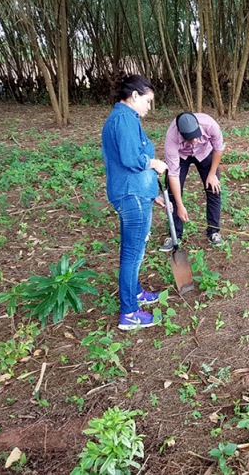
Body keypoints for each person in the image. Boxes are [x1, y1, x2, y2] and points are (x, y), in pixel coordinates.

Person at [101, 75, 167, 330]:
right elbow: (131, 159)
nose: (149, 107)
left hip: (137, 194)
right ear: (135, 95)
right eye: (148, 101)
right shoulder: (124, 119)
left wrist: (154, 196)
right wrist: (154, 163)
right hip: (131, 195)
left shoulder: (126, 118)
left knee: (133, 250)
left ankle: (135, 292)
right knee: (133, 253)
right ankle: (129, 313)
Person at [160, 112, 225, 251]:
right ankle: (174, 234)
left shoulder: (209, 124)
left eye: (196, 136)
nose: (195, 140)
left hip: (205, 152)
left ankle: (214, 232)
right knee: (172, 194)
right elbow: (173, 174)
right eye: (190, 138)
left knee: (214, 189)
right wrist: (180, 204)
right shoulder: (172, 138)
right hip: (181, 155)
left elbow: (218, 149)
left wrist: (212, 174)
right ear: (181, 133)